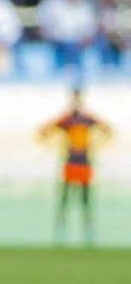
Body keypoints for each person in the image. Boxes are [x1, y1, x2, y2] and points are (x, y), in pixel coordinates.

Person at [38, 86, 113, 245]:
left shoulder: (87, 118)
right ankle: (61, 230)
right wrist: (58, 145)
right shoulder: (67, 119)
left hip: (84, 161)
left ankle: (88, 231)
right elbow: (44, 131)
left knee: (85, 199)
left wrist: (94, 145)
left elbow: (107, 130)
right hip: (71, 161)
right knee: (65, 198)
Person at [36, 0, 98, 78]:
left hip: (78, 44)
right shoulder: (53, 3)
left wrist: (86, 40)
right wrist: (47, 35)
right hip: (56, 42)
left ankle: (77, 77)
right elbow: (41, 21)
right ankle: (59, 76)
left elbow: (91, 30)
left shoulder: (85, 6)